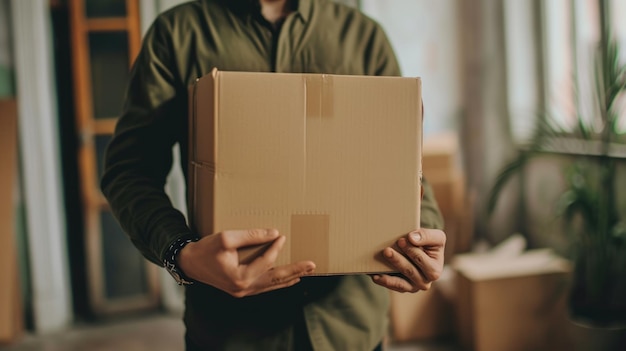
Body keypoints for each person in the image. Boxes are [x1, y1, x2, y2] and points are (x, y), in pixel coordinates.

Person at [101, 0, 447, 350]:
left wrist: (423, 239)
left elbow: (401, 166)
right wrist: (181, 254)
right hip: (231, 331)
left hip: (350, 328)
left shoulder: (362, 36)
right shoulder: (176, 34)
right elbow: (130, 171)